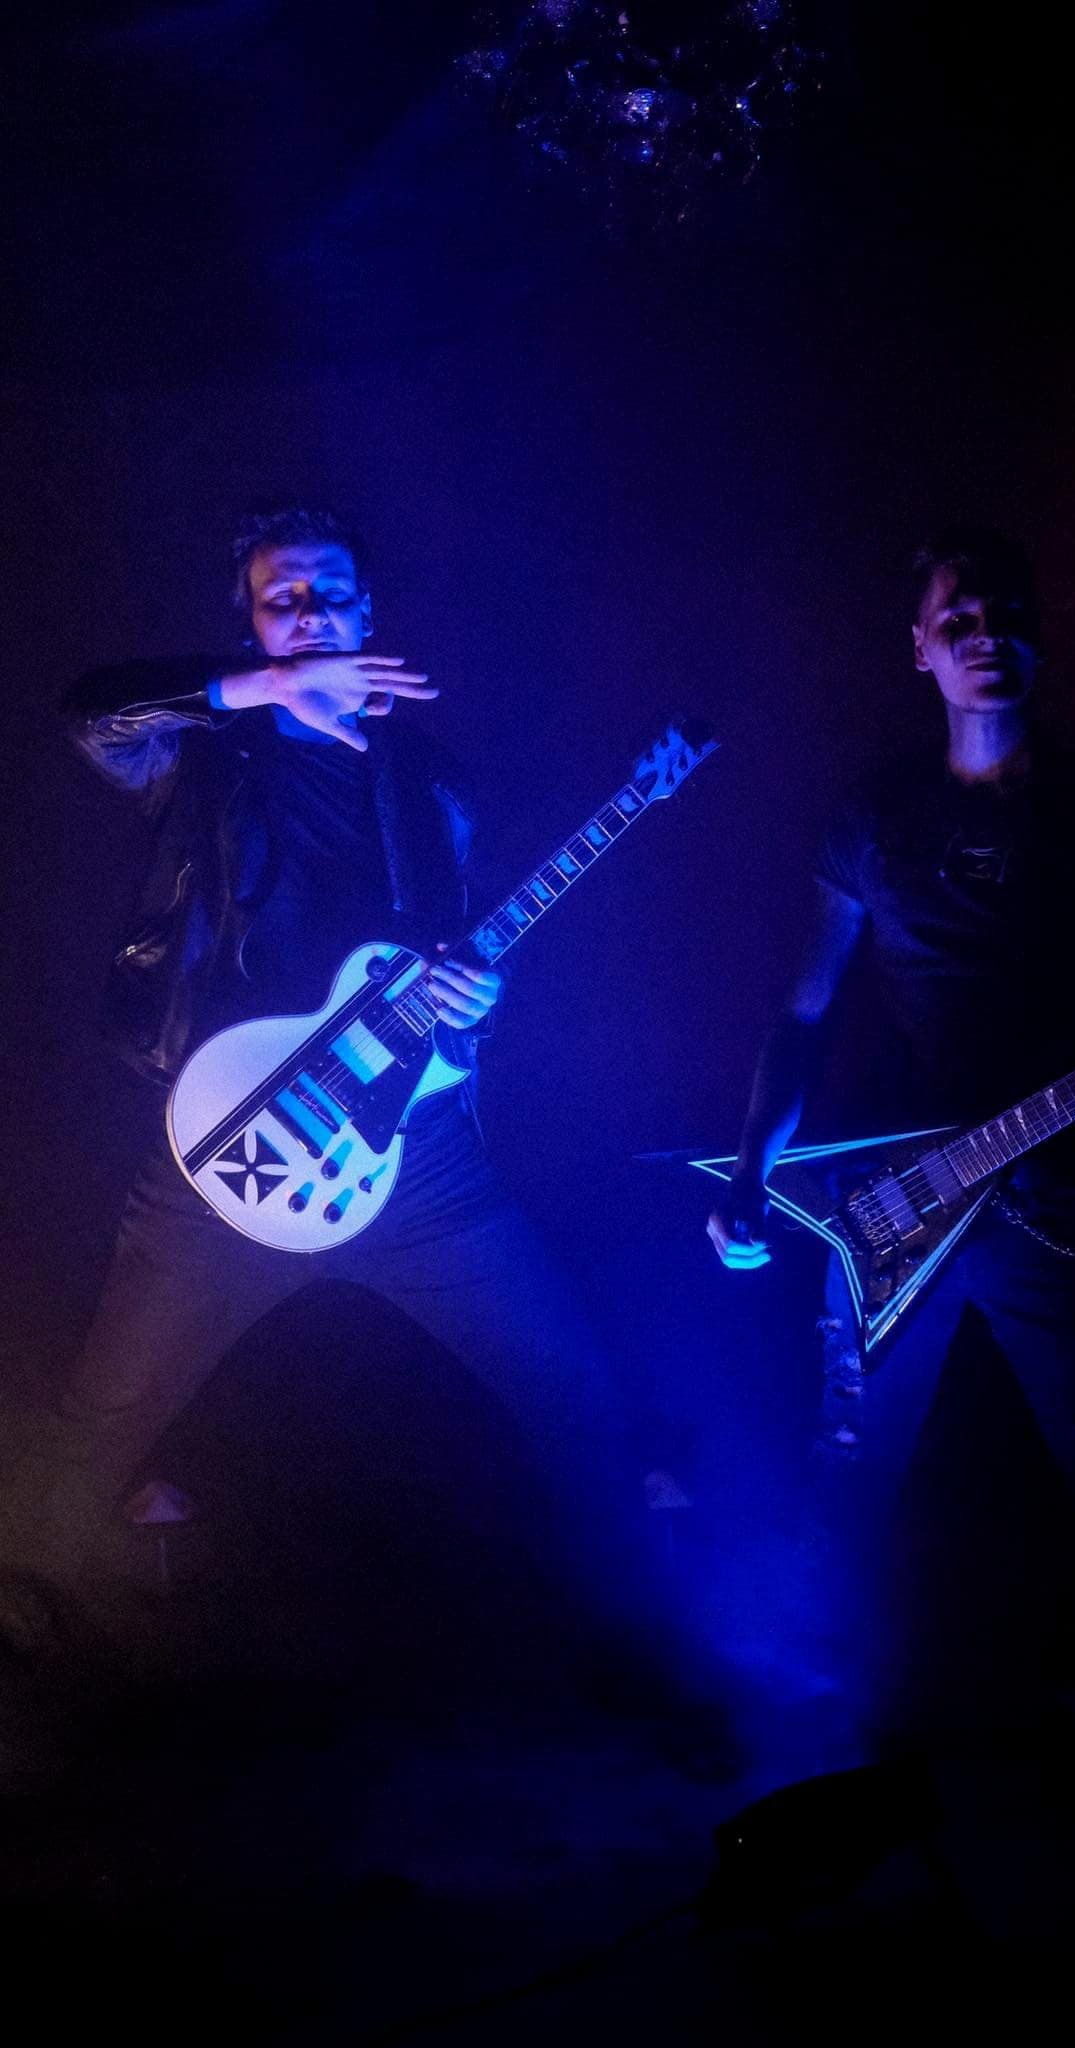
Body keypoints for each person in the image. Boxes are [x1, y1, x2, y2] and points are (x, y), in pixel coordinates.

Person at [0, 504, 638, 1671]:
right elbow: (89, 712)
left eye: (328, 591)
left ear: (368, 609)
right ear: (250, 623)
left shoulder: (429, 781)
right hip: (231, 1148)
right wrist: (259, 690)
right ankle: (30, 1632)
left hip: (416, 1159)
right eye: (279, 597)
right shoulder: (203, 755)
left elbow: (451, 954)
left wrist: (476, 1002)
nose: (307, 612)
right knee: (101, 1420)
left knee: (577, 1390)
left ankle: (651, 1634)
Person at [706, 528, 1075, 1734]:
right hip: (895, 1200)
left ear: (1039, 633)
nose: (984, 635)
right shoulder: (874, 814)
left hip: (1055, 1205)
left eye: (1005, 613)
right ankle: (806, 1700)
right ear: (917, 647)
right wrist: (753, 1168)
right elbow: (801, 1012)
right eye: (956, 619)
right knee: (849, 1450)